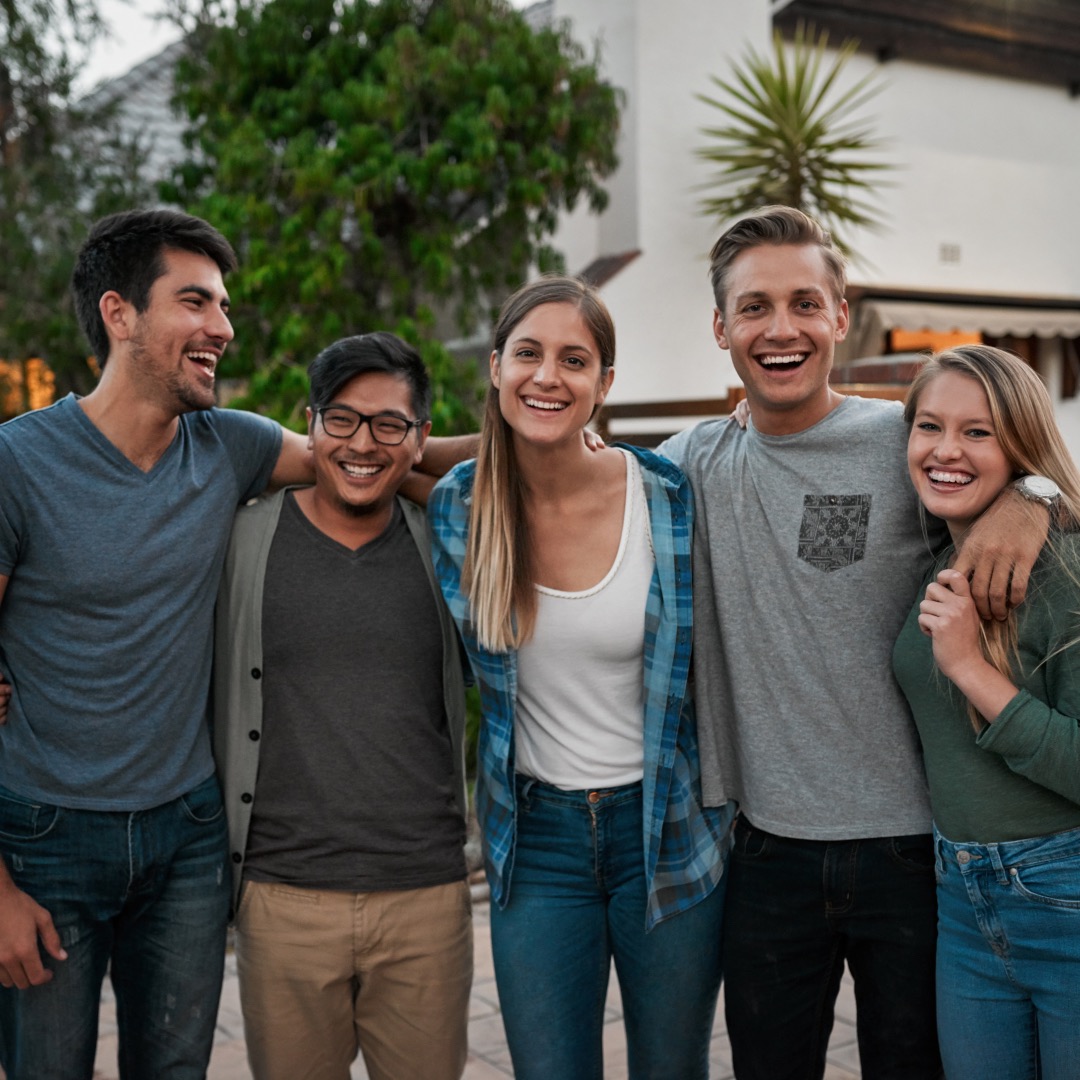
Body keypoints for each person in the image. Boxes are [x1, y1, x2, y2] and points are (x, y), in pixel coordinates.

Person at [655, 206, 1047, 1079]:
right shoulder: (691, 463)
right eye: (754, 307)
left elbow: (1018, 453)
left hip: (915, 846)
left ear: (840, 313)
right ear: (721, 329)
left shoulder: (905, 442)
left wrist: (1037, 495)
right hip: (763, 851)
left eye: (803, 301)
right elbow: (564, 459)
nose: (780, 327)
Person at [0, 208, 310, 1079]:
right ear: (119, 313)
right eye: (196, 302)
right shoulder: (17, 465)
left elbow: (368, 456)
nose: (224, 327)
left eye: (223, 306)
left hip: (188, 838)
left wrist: (543, 439)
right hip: (42, 839)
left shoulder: (229, 446)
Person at [428, 276, 732, 1080]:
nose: (547, 376)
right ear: (495, 367)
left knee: (672, 1069)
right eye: (527, 354)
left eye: (574, 359)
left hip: (664, 832)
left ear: (605, 383)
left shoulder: (666, 494)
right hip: (536, 843)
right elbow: (360, 457)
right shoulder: (461, 508)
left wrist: (1033, 496)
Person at [213, 332, 472, 1080]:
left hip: (424, 897)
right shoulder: (241, 538)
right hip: (282, 898)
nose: (364, 443)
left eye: (390, 424)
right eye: (343, 420)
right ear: (310, 424)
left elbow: (525, 464)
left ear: (421, 437)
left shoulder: (445, 540)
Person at [893, 345, 1080, 1080]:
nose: (946, 450)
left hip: (1063, 893)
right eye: (929, 426)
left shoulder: (1065, 572)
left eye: (979, 432)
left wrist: (970, 668)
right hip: (961, 901)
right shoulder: (942, 548)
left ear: (1022, 445)